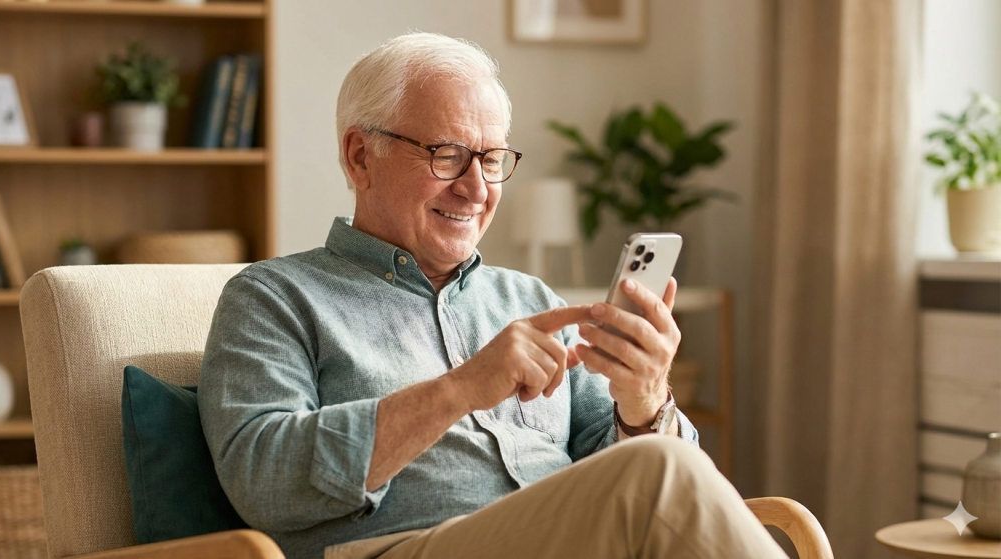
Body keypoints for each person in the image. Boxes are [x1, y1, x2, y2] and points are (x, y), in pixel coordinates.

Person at [199, 32, 788, 559]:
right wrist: (459, 390)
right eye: (447, 155)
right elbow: (263, 479)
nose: (476, 188)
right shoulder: (273, 298)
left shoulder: (528, 298)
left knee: (660, 455)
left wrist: (643, 404)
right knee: (661, 470)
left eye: (491, 159)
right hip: (397, 547)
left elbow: (618, 477)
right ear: (361, 156)